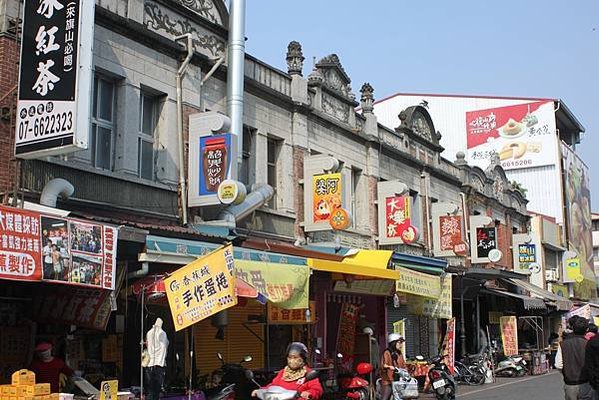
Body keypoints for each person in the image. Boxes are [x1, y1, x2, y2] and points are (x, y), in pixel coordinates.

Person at [252, 342, 323, 400]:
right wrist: (261, 390)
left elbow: (317, 389)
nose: (292, 361)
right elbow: (273, 385)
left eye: (295, 358)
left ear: (303, 359)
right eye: (290, 357)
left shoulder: (308, 373)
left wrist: (309, 393)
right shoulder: (283, 372)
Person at [556, 316, 593, 400]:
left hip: (570, 384)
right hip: (586, 383)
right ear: (587, 330)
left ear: (572, 328)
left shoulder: (563, 344)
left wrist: (566, 372)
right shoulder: (589, 344)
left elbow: (558, 365)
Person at [145, 318, 169, 400]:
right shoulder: (163, 333)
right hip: (159, 364)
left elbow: (148, 346)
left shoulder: (149, 333)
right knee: (156, 390)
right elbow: (164, 348)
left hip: (149, 364)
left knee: (150, 389)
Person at [379, 333, 406, 400]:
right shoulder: (387, 352)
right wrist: (389, 367)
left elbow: (403, 364)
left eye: (401, 343)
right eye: (399, 343)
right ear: (393, 343)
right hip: (388, 380)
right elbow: (384, 365)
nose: (401, 345)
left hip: (398, 380)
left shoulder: (399, 353)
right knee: (385, 397)